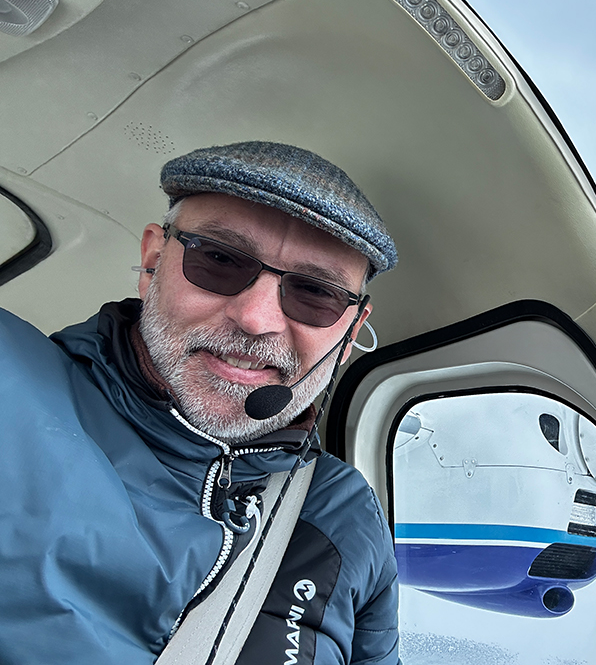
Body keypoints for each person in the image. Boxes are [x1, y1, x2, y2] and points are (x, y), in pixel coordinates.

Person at [0, 141, 401, 664]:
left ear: (350, 333)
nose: (255, 319)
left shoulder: (345, 511)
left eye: (315, 293)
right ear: (152, 262)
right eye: (219, 259)